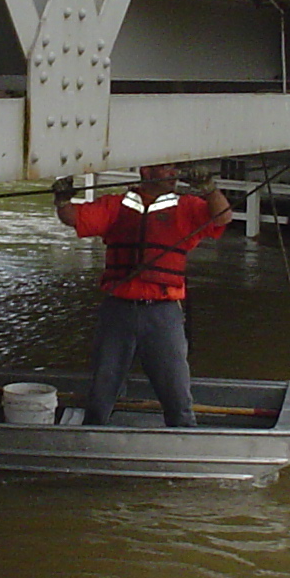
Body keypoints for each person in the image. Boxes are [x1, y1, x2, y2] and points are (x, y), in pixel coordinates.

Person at [53, 163, 233, 427]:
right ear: (146, 171)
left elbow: (222, 217)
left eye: (175, 169)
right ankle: (92, 433)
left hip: (163, 312)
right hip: (118, 311)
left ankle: (184, 436)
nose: (173, 174)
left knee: (175, 386)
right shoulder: (116, 206)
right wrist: (62, 200)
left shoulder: (186, 207)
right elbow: (74, 218)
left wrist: (209, 189)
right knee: (104, 383)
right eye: (166, 168)